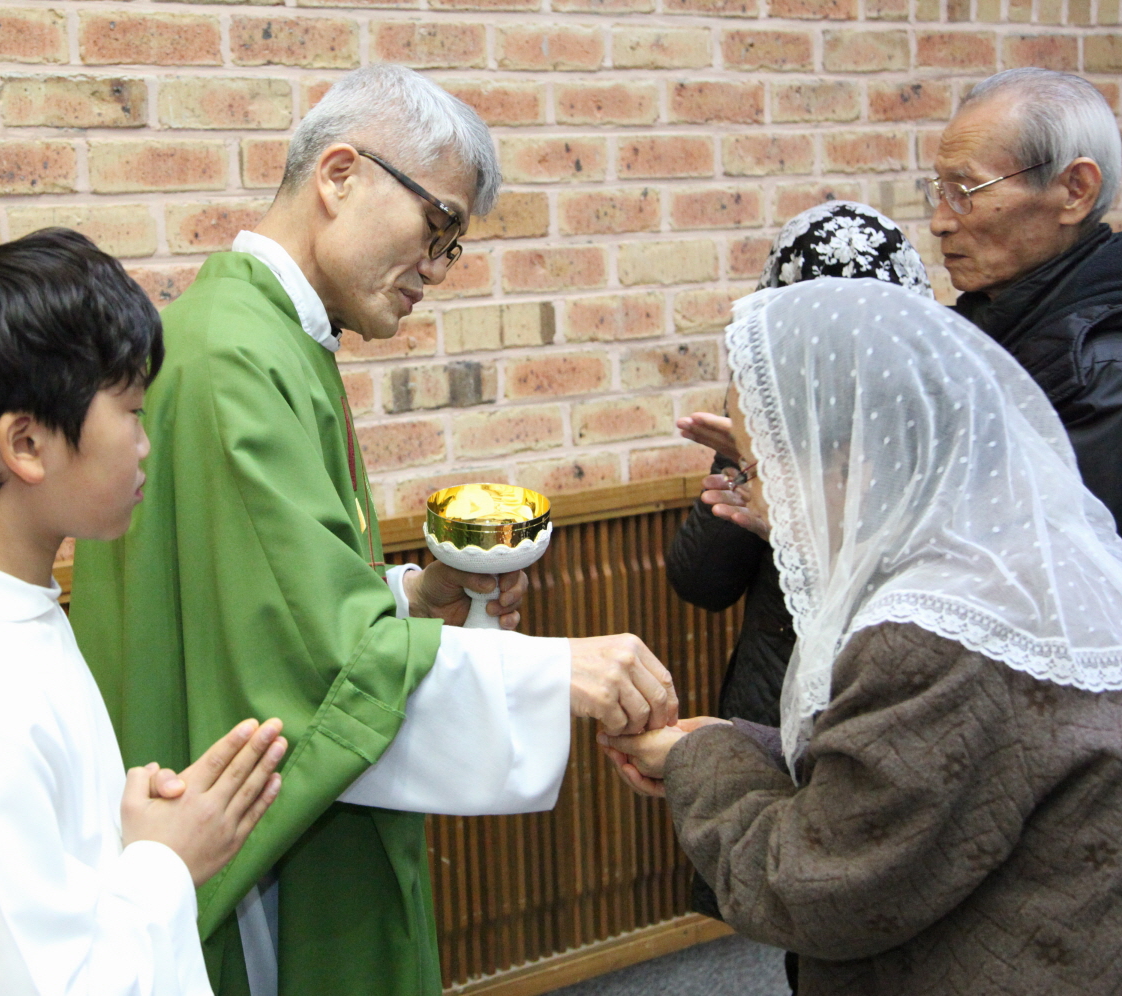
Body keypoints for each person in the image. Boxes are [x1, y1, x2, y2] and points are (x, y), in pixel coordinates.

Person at [69, 64, 677, 996]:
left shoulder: (267, 334)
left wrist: (411, 594)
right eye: (437, 227)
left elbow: (264, 602)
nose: (437, 269)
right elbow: (315, 661)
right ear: (341, 174)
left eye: (452, 246)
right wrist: (552, 672)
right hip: (252, 863)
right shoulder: (235, 356)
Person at [604, 278, 1122, 995]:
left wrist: (698, 760)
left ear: (853, 461)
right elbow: (948, 772)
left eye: (756, 465)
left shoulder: (931, 629)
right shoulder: (1011, 558)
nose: (751, 492)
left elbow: (811, 885)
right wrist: (745, 744)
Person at [0, 229, 288, 996]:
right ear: (27, 443)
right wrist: (164, 861)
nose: (144, 445)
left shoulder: (9, 621)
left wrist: (127, 840)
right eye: (132, 411)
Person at [929, 67, 1122, 723]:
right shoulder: (1008, 327)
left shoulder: (1117, 374)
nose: (939, 222)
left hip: (1100, 736)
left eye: (965, 191)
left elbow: (1025, 594)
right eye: (937, 190)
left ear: (1074, 190)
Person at [670, 201, 932, 728]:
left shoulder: (934, 422)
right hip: (772, 700)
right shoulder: (769, 403)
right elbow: (701, 582)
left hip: (889, 707)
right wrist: (747, 460)